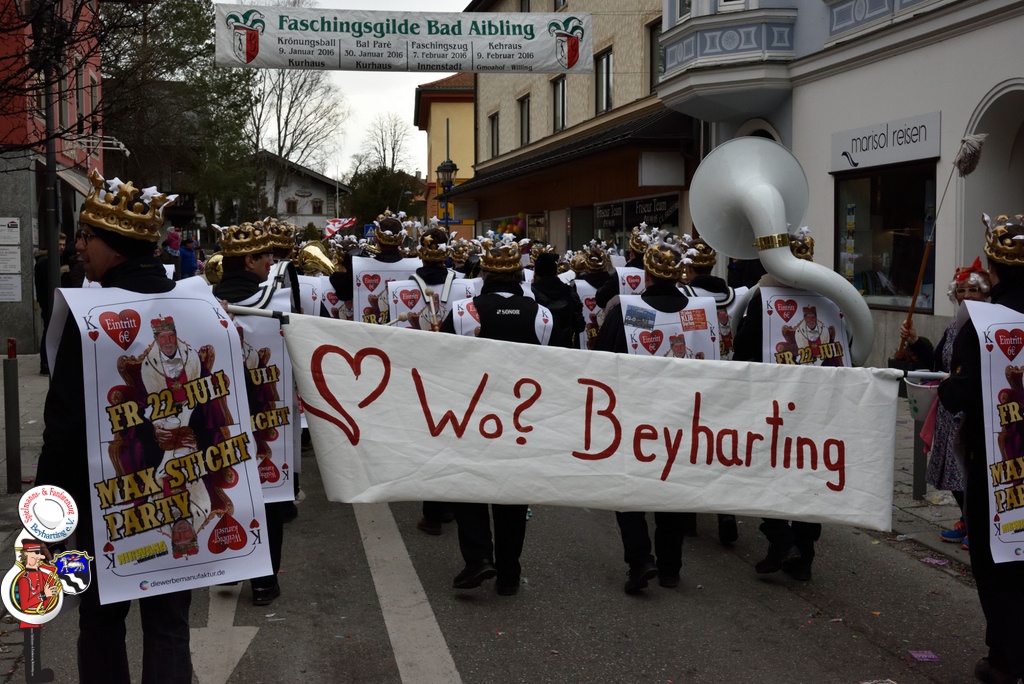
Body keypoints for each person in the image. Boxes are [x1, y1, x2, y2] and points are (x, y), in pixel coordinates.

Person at [33, 172, 194, 684]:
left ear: (116, 247)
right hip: (181, 489)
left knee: (101, 619)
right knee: (169, 623)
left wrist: (46, 520)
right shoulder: (200, 306)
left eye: (87, 237)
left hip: (106, 501)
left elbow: (62, 429)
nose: (79, 247)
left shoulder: (89, 315)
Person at [440, 236, 553, 596]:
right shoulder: (543, 315)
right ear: (520, 275)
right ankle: (509, 573)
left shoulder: (462, 312)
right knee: (513, 496)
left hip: (471, 416)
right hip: (521, 420)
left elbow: (440, 363)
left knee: (467, 487)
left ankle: (478, 558)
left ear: (484, 274)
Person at [939, 213, 1024, 684]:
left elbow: (962, 393)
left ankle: (1007, 662)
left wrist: (945, 387)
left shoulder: (983, 322)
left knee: (1000, 563)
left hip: (1001, 461)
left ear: (993, 269)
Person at [593, 231, 696, 594]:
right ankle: (670, 568)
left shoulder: (627, 311)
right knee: (673, 489)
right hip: (684, 415)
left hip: (634, 415)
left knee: (629, 488)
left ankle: (640, 560)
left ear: (646, 275)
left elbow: (601, 360)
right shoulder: (700, 312)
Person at [732, 228, 826, 581]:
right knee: (807, 470)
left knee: (766, 468)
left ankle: (779, 537)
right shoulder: (829, 294)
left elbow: (744, 347)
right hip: (815, 399)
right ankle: (804, 554)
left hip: (772, 399)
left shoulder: (764, 296)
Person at [212, 222, 294, 606]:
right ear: (249, 260)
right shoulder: (280, 302)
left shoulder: (200, 303)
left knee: (222, 488)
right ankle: (264, 582)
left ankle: (227, 565)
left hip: (216, 421)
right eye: (266, 257)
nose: (271, 263)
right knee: (268, 498)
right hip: (264, 417)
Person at [900, 258, 990, 550]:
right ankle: (966, 520)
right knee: (953, 475)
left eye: (973, 290)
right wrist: (915, 341)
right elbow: (936, 365)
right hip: (949, 411)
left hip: (974, 413)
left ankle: (979, 528)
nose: (967, 296)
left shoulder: (991, 327)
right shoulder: (953, 329)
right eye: (961, 291)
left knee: (972, 475)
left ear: (986, 293)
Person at [531, 251, 585, 348]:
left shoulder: (531, 293)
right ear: (555, 270)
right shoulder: (570, 292)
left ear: (537, 271)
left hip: (540, 348)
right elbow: (580, 325)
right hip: (565, 347)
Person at [33, 232, 67, 374]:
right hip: (49, 303)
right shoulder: (45, 262)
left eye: (63, 245)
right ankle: (46, 364)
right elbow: (47, 283)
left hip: (51, 302)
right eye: (59, 244)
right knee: (49, 332)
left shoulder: (52, 259)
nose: (62, 247)